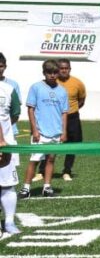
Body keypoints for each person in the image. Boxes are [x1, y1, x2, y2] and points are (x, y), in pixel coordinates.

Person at [19, 60, 69, 200]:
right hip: (40, 132)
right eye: (49, 73)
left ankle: (47, 187)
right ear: (44, 73)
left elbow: (64, 112)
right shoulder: (36, 87)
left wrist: (63, 132)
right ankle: (26, 188)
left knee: (51, 159)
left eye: (55, 72)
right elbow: (31, 109)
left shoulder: (62, 91)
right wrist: (34, 130)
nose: (52, 75)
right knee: (34, 160)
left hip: (56, 132)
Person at [0, 59, 21, 236]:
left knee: (8, 185)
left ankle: (9, 222)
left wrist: (4, 136)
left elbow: (14, 114)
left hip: (5, 145)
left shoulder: (9, 89)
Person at [56, 59, 86, 183]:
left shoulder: (77, 83)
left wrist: (71, 110)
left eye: (66, 68)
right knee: (50, 144)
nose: (64, 70)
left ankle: (67, 171)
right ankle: (42, 171)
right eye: (61, 68)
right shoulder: (52, 82)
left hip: (72, 117)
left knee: (72, 145)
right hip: (55, 118)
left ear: (70, 69)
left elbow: (81, 100)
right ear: (57, 69)